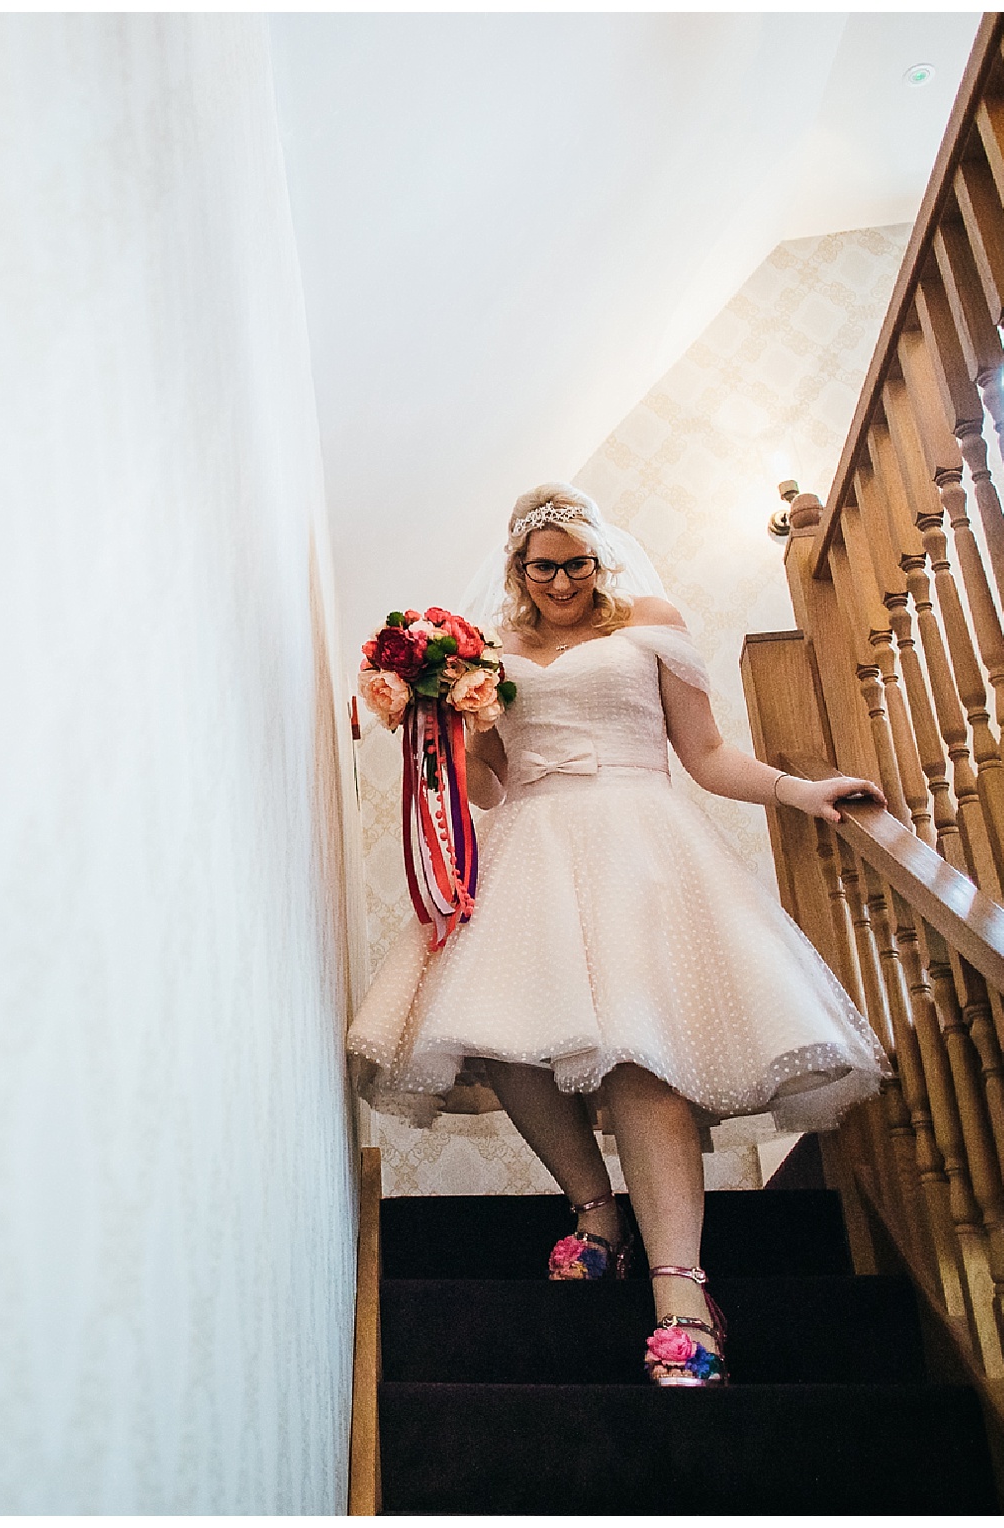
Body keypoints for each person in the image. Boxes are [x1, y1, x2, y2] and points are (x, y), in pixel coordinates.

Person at [347, 482, 891, 1386]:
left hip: (643, 846)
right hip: (530, 849)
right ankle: (596, 1210)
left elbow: (707, 755)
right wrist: (442, 723)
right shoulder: (487, 650)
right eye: (542, 566)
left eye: (577, 563)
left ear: (602, 559)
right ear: (519, 568)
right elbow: (487, 788)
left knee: (643, 1056)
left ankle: (681, 1288)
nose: (561, 581)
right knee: (500, 1042)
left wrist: (803, 791)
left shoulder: (649, 621)